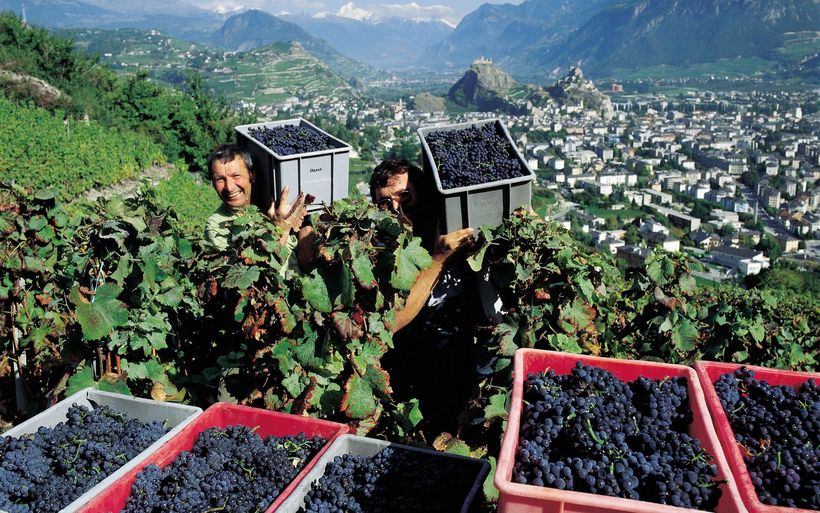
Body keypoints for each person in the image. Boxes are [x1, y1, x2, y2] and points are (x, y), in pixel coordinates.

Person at [369, 158, 498, 433]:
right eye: (385, 203)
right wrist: (439, 260)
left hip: (467, 367)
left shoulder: (458, 228)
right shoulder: (381, 253)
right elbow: (390, 322)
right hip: (414, 376)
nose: (396, 208)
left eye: (404, 195)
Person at [204, 143, 309, 257]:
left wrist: (305, 219)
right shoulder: (216, 227)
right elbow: (259, 267)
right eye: (220, 179)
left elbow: (306, 261)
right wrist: (282, 229)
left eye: (236, 176)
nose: (229, 187)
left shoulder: (272, 207)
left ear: (252, 175)